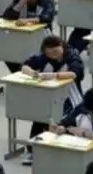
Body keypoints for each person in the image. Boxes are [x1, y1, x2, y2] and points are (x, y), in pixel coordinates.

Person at [20, 36, 85, 164]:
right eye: (49, 53)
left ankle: (60, 153)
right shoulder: (44, 56)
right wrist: (34, 74)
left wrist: (53, 75)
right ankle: (34, 150)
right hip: (49, 96)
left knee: (63, 123)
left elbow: (74, 73)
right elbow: (25, 66)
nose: (53, 56)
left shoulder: (72, 55)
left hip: (70, 97)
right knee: (40, 117)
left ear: (61, 45)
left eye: (56, 52)